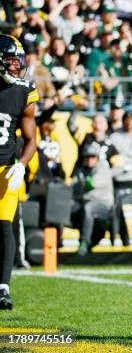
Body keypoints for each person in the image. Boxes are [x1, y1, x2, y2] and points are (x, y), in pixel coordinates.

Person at [0, 35, 38, 309]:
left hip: (5, 168)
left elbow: (31, 139)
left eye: (18, 61)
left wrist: (22, 165)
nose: (16, 67)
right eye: (11, 61)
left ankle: (2, 287)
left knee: (4, 226)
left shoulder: (23, 90)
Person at [72, 145, 115, 256]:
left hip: (104, 205)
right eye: (87, 157)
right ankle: (57, 241)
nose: (89, 159)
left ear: (97, 158)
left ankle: (84, 242)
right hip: (84, 202)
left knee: (88, 208)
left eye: (92, 157)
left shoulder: (103, 168)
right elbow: (72, 187)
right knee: (68, 206)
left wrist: (80, 181)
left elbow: (91, 184)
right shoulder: (81, 170)